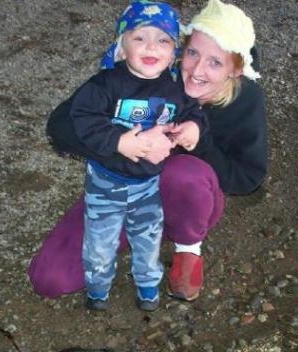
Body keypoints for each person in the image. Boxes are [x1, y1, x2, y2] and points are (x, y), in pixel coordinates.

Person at [28, 0, 267, 304]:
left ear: (236, 71)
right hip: (120, 188)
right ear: (180, 47)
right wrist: (123, 144)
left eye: (215, 63)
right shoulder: (147, 70)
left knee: (182, 173)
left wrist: (196, 142)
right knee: (49, 279)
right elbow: (60, 126)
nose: (195, 71)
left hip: (190, 197)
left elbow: (249, 177)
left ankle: (187, 249)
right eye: (192, 53)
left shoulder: (244, 101)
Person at [66, 1, 208, 312]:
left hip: (148, 185)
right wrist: (118, 141)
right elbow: (83, 117)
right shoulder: (106, 84)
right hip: (106, 183)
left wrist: (193, 128)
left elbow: (195, 112)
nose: (151, 47)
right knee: (100, 243)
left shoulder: (175, 89)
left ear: (174, 54)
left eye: (163, 40)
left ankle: (147, 285)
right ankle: (98, 288)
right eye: (139, 38)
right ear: (121, 46)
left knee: (148, 237)